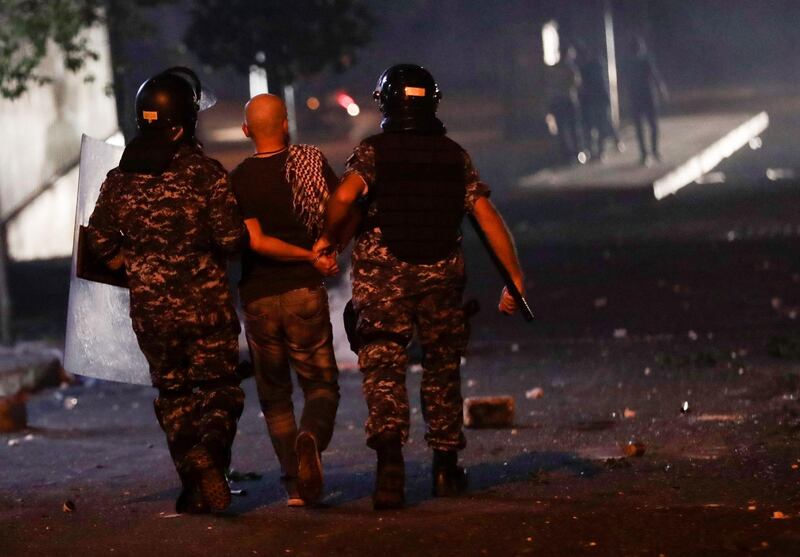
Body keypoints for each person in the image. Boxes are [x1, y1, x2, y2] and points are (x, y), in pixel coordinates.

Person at [314, 64, 526, 510]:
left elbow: (345, 197)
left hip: (382, 278)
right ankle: (446, 469)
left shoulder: (372, 154)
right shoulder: (454, 155)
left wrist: (328, 241)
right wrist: (515, 279)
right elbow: (486, 217)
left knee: (384, 368)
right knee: (442, 369)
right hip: (441, 277)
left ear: (386, 104)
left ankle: (389, 473)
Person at [85, 68, 247, 514]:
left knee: (173, 393)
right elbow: (233, 242)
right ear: (184, 123)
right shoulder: (206, 174)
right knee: (219, 390)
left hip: (151, 314)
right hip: (206, 309)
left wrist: (133, 265)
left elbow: (97, 241)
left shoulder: (120, 179)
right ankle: (210, 455)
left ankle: (194, 484)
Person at [230, 94, 341, 507]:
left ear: (246, 131)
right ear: (286, 124)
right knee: (320, 387)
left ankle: (294, 484)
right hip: (303, 293)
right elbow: (338, 210)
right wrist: (317, 252)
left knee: (275, 394)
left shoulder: (239, 178)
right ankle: (309, 437)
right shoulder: (310, 165)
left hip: (259, 297)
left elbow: (256, 241)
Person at [577, 44, 622, 160]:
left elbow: (597, 84)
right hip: (594, 100)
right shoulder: (591, 66)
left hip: (597, 100)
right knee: (598, 125)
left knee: (600, 125)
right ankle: (601, 149)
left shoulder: (593, 66)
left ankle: (601, 150)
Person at [629, 37, 668, 166]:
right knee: (652, 125)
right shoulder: (646, 60)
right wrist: (661, 89)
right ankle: (654, 151)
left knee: (641, 127)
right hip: (648, 96)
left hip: (637, 98)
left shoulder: (630, 62)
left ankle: (645, 154)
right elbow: (655, 75)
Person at [544, 44, 585, 164]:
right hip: (569, 101)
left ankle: (567, 155)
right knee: (574, 128)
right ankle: (577, 152)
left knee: (563, 129)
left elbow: (550, 87)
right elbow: (576, 84)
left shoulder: (554, 69)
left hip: (557, 102)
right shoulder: (571, 69)